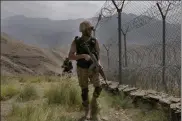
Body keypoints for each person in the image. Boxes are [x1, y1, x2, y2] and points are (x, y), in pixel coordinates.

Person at [68, 21, 102, 120]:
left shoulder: (94, 41)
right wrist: (82, 56)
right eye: (89, 29)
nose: (91, 30)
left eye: (91, 29)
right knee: (84, 90)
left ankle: (93, 102)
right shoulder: (77, 42)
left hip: (93, 68)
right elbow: (70, 56)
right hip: (82, 68)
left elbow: (98, 56)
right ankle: (87, 111)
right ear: (83, 30)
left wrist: (99, 64)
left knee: (99, 87)